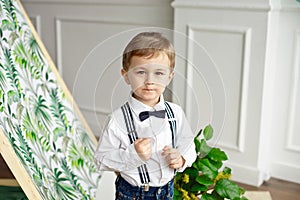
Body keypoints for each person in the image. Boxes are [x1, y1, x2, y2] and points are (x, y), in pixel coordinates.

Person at [94, 32, 196, 200]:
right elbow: (101, 159)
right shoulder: (117, 119)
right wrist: (133, 154)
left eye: (159, 73)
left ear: (169, 77)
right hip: (133, 194)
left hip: (166, 191)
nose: (150, 81)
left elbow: (188, 144)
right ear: (126, 75)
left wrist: (182, 158)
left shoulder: (175, 113)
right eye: (141, 72)